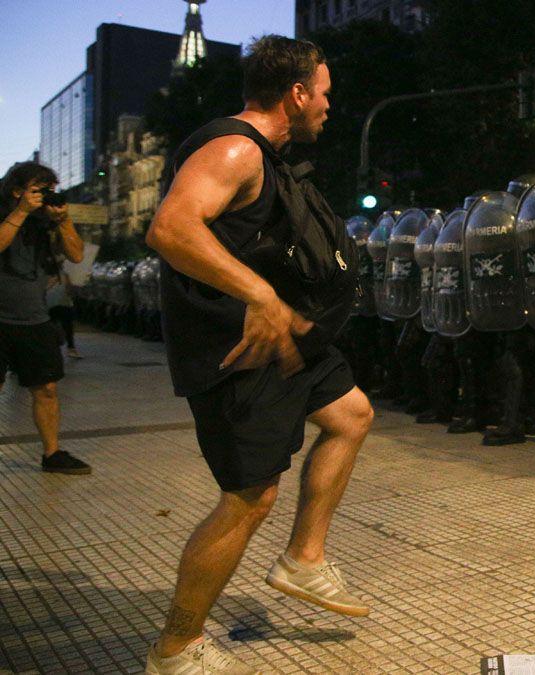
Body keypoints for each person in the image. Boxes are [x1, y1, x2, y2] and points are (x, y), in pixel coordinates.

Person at [144, 36, 373, 674]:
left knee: (352, 416)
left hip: (289, 343)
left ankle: (304, 559)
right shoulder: (236, 147)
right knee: (249, 498)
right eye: (324, 92)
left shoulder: (269, 159)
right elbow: (170, 227)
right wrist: (260, 295)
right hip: (240, 350)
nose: (329, 105)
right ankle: (174, 649)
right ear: (297, 93)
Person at [0, 161, 89, 474]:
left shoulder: (46, 225)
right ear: (16, 190)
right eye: (39, 190)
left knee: (47, 389)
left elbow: (78, 256)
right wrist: (21, 211)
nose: (46, 197)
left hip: (34, 319)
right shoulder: (7, 216)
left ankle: (52, 454)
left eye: (49, 191)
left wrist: (64, 221)